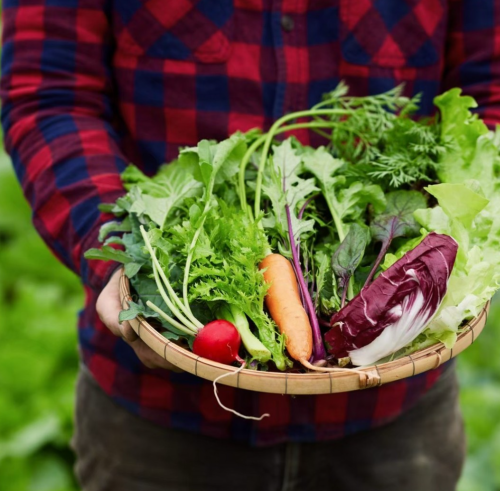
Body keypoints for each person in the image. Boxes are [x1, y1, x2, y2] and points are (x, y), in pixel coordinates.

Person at [1, 1, 496, 490]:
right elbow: (50, 93)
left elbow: (489, 88)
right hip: (162, 410)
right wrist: (124, 250)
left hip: (395, 417)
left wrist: (459, 244)